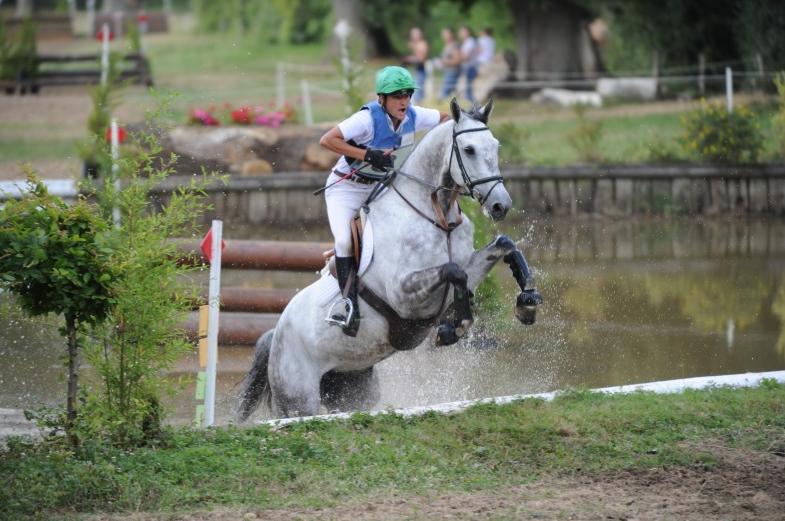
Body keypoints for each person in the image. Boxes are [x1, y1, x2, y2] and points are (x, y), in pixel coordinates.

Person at [319, 66, 449, 336]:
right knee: (344, 240)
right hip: (346, 188)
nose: (404, 101)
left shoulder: (415, 115)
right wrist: (367, 154)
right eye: (397, 95)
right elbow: (327, 140)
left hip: (378, 188)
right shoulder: (365, 120)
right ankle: (347, 304)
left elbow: (448, 120)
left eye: (408, 94)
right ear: (382, 99)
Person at [402, 27, 429, 104]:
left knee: (418, 93)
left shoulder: (421, 44)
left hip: (421, 70)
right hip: (417, 70)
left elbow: (421, 59)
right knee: (415, 91)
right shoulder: (417, 44)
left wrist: (410, 59)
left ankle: (418, 110)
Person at [437, 27, 462, 102]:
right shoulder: (446, 45)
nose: (444, 36)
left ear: (451, 34)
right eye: (443, 34)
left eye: (446, 34)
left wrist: (444, 62)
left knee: (444, 94)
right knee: (449, 94)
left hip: (453, 72)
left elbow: (457, 60)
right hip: (447, 72)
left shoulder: (454, 45)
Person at [458, 25, 479, 104]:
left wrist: (457, 57)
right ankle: (473, 106)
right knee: (467, 91)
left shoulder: (470, 42)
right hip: (468, 67)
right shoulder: (467, 42)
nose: (461, 34)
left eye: (463, 32)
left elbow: (466, 56)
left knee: (468, 91)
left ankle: (475, 107)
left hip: (470, 67)